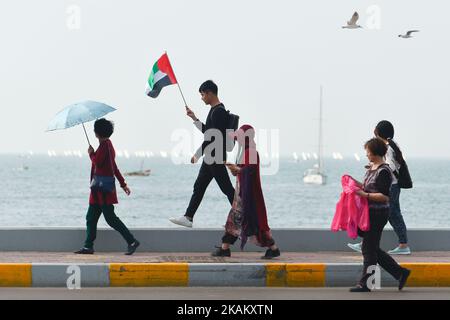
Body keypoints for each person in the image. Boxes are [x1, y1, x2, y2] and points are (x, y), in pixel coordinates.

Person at [169, 80, 235, 228]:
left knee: (227, 190)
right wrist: (194, 118)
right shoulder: (215, 110)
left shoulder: (219, 111)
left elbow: (212, 137)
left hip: (215, 157)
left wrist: (197, 154)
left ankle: (244, 215)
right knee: (199, 186)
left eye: (203, 94)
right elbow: (208, 131)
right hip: (211, 157)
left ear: (210, 93)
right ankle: (188, 217)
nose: (202, 97)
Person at [349, 138, 410, 292]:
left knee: (368, 249)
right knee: (373, 248)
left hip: (378, 214)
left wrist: (364, 194)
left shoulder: (384, 171)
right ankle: (400, 273)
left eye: (368, 152)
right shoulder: (372, 168)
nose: (367, 155)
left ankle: (366, 284)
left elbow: (384, 196)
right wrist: (352, 184)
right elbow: (366, 187)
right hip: (368, 214)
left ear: (375, 153)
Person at [211, 125, 280, 259]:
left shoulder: (251, 152)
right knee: (241, 221)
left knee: (245, 221)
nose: (237, 141)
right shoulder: (247, 152)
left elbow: (249, 171)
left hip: (248, 195)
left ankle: (226, 249)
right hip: (244, 193)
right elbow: (245, 171)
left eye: (239, 138)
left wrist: (237, 169)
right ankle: (226, 248)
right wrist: (235, 168)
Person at [74, 119, 140, 255]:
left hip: (103, 190)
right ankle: (88, 246)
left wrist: (91, 153)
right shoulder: (106, 145)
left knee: (110, 218)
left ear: (97, 132)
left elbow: (97, 161)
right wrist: (123, 184)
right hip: (98, 189)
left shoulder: (105, 146)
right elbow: (114, 167)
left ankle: (132, 241)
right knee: (91, 217)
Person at [348, 120, 411, 255]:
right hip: (393, 185)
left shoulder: (388, 148)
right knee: (389, 214)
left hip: (391, 185)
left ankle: (403, 244)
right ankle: (368, 242)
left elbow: (391, 167)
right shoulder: (392, 145)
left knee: (389, 214)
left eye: (375, 130)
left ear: (378, 132)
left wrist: (378, 168)